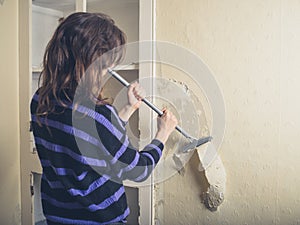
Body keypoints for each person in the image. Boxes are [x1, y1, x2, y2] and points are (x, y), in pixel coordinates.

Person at [30, 12, 178, 225]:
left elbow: (95, 144)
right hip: (100, 220)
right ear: (90, 62)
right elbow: (137, 170)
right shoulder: (98, 118)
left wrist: (127, 108)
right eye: (106, 63)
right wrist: (162, 134)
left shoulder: (40, 100)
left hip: (57, 215)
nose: (108, 71)